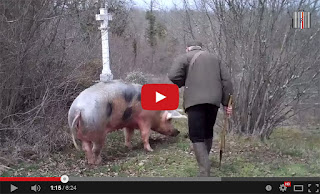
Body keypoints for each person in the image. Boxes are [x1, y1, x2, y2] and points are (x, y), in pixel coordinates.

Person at [168, 40, 233, 177]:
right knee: (207, 132)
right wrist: (226, 103)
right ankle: (205, 161)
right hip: (214, 101)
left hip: (195, 101)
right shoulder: (215, 58)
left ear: (188, 48)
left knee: (196, 135)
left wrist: (183, 82)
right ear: (200, 47)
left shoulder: (185, 57)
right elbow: (226, 81)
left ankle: (204, 171)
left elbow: (173, 75)